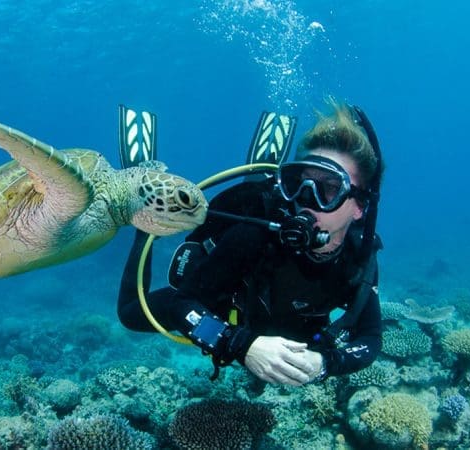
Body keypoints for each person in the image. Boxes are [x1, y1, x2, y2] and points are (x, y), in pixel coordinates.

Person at [117, 99, 384, 386]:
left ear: (359, 206)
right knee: (130, 314)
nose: (306, 201)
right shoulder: (255, 234)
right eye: (299, 183)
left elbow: (369, 337)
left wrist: (325, 363)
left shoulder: (359, 255)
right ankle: (143, 222)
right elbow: (183, 305)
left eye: (329, 189)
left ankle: (261, 172)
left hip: (283, 324)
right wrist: (239, 344)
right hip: (226, 309)